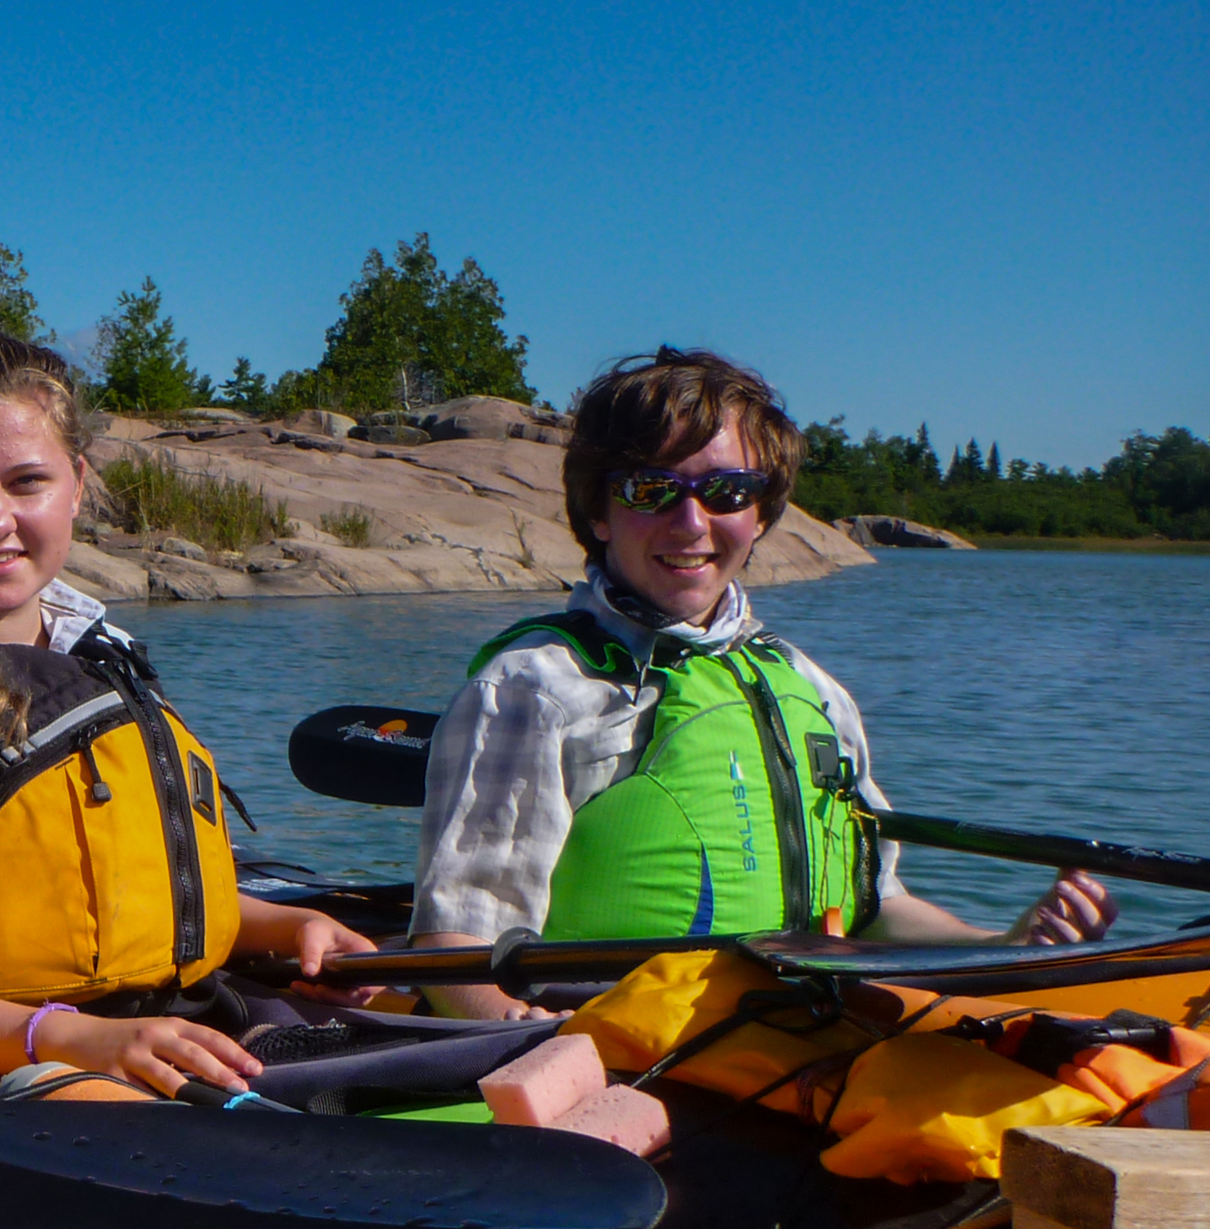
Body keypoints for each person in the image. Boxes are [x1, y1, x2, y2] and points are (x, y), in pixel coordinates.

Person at [408, 345, 1113, 1019]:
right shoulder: (534, 688)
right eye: (652, 489)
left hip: (799, 1053)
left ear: (761, 510)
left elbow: (877, 910)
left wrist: (1004, 948)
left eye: (725, 491)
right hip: (614, 1058)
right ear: (599, 510)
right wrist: (563, 1065)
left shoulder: (811, 688)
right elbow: (457, 953)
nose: (692, 523)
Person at [0, 329, 374, 1096]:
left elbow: (129, 881)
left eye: (27, 482)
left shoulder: (95, 640)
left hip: (166, 1025)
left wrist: (279, 927)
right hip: (5, 1068)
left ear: (77, 482)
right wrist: (77, 1041)